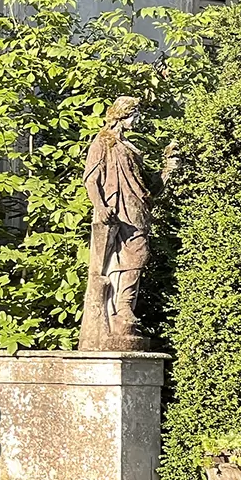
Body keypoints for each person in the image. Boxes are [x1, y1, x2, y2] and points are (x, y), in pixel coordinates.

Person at [80, 96, 151, 350]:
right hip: (115, 209)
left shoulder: (130, 147)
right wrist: (99, 206)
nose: (137, 119)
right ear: (122, 115)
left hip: (136, 209)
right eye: (134, 114)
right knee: (116, 260)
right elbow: (91, 178)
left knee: (139, 256)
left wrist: (168, 168)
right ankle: (118, 311)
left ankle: (124, 308)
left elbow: (150, 187)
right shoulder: (104, 141)